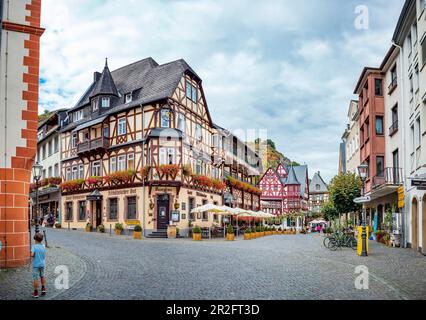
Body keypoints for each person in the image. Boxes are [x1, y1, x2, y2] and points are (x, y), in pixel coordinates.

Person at [31, 233, 46, 298]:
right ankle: (43, 289)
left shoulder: (34, 246)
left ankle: (36, 292)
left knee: (36, 278)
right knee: (42, 276)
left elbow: (32, 255)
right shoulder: (43, 246)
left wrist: (31, 253)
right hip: (42, 264)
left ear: (36, 240)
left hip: (36, 265)